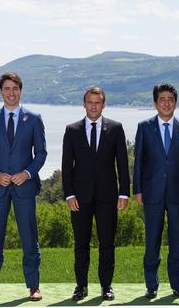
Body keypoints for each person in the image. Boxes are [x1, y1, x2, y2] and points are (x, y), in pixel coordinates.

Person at [0, 72, 47, 301]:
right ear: (1, 91)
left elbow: (41, 153)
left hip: (24, 187)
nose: (11, 92)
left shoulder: (34, 118)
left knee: (29, 238)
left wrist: (26, 173)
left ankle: (33, 286)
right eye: (7, 88)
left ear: (21, 90)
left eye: (15, 88)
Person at [61, 86, 130, 301]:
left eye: (97, 102)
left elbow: (123, 164)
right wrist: (69, 194)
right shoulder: (72, 130)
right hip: (79, 198)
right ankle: (81, 287)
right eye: (90, 102)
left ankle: (106, 287)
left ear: (103, 104)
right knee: (81, 244)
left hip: (108, 197)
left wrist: (124, 193)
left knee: (107, 244)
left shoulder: (116, 129)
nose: (93, 106)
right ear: (84, 104)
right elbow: (66, 166)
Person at [133, 83, 179, 299]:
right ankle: (151, 285)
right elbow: (139, 162)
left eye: (170, 99)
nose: (166, 103)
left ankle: (178, 285)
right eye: (162, 99)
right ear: (155, 103)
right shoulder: (144, 127)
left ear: (176, 103)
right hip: (151, 192)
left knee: (177, 241)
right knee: (152, 241)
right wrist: (137, 190)